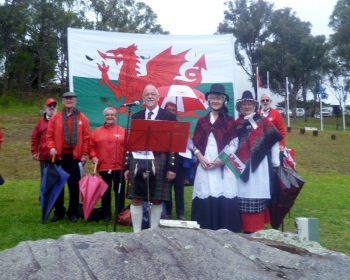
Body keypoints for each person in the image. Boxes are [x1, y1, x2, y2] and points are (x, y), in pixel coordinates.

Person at [124, 84, 177, 233]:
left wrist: (172, 167)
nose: (150, 96)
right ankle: (136, 233)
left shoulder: (169, 117)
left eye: (153, 94)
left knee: (157, 198)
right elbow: (131, 144)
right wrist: (127, 166)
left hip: (160, 159)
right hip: (138, 160)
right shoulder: (136, 116)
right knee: (136, 197)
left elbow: (174, 144)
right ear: (142, 98)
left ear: (158, 97)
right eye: (147, 94)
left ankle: (154, 232)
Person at [191, 83, 241, 232]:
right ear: (209, 100)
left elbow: (234, 143)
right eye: (213, 98)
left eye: (218, 98)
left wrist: (221, 161)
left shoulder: (229, 121)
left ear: (223, 101)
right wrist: (200, 157)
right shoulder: (202, 121)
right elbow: (194, 144)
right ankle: (206, 227)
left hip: (223, 165)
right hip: (205, 163)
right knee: (206, 190)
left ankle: (225, 227)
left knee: (223, 190)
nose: (215, 101)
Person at [235, 90, 282, 233]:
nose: (247, 106)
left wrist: (275, 162)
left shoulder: (263, 121)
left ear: (255, 106)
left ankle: (256, 228)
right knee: (241, 195)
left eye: (249, 104)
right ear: (240, 107)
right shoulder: (236, 124)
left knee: (257, 193)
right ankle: (243, 227)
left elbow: (274, 140)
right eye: (244, 104)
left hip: (260, 168)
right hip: (241, 167)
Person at [46, 91, 90, 223]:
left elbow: (87, 138)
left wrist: (83, 154)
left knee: (73, 186)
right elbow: (49, 135)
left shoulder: (83, 118)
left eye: (71, 99)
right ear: (63, 101)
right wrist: (52, 147)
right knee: (58, 186)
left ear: (75, 101)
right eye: (66, 99)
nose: (69, 101)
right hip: (59, 156)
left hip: (74, 157)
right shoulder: (55, 118)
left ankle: (72, 212)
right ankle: (59, 211)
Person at [89, 107, 126, 221]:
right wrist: (93, 156)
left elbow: (128, 148)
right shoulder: (96, 132)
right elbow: (91, 147)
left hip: (119, 167)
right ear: (104, 116)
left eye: (112, 115)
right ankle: (106, 214)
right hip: (104, 166)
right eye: (107, 115)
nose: (109, 117)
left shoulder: (123, 131)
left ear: (115, 117)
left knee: (119, 192)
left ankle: (120, 214)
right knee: (105, 192)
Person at [164, 101, 186, 220]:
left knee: (179, 188)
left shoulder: (180, 126)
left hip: (179, 162)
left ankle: (180, 212)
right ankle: (167, 210)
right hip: (164, 161)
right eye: (169, 109)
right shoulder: (161, 126)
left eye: (173, 110)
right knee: (166, 189)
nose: (171, 112)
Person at [31, 98, 58, 195]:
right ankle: (44, 198)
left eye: (54, 105)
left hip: (58, 156)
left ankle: (55, 198)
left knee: (57, 178)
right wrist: (34, 151)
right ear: (45, 107)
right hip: (44, 155)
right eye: (49, 105)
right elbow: (35, 137)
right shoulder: (40, 122)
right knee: (45, 177)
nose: (52, 107)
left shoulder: (60, 120)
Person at [258, 93, 286, 164]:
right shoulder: (257, 114)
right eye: (263, 100)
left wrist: (281, 144)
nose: (265, 102)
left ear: (270, 101)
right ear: (260, 102)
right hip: (261, 143)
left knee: (275, 163)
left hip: (274, 142)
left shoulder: (276, 113)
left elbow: (281, 130)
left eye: (267, 100)